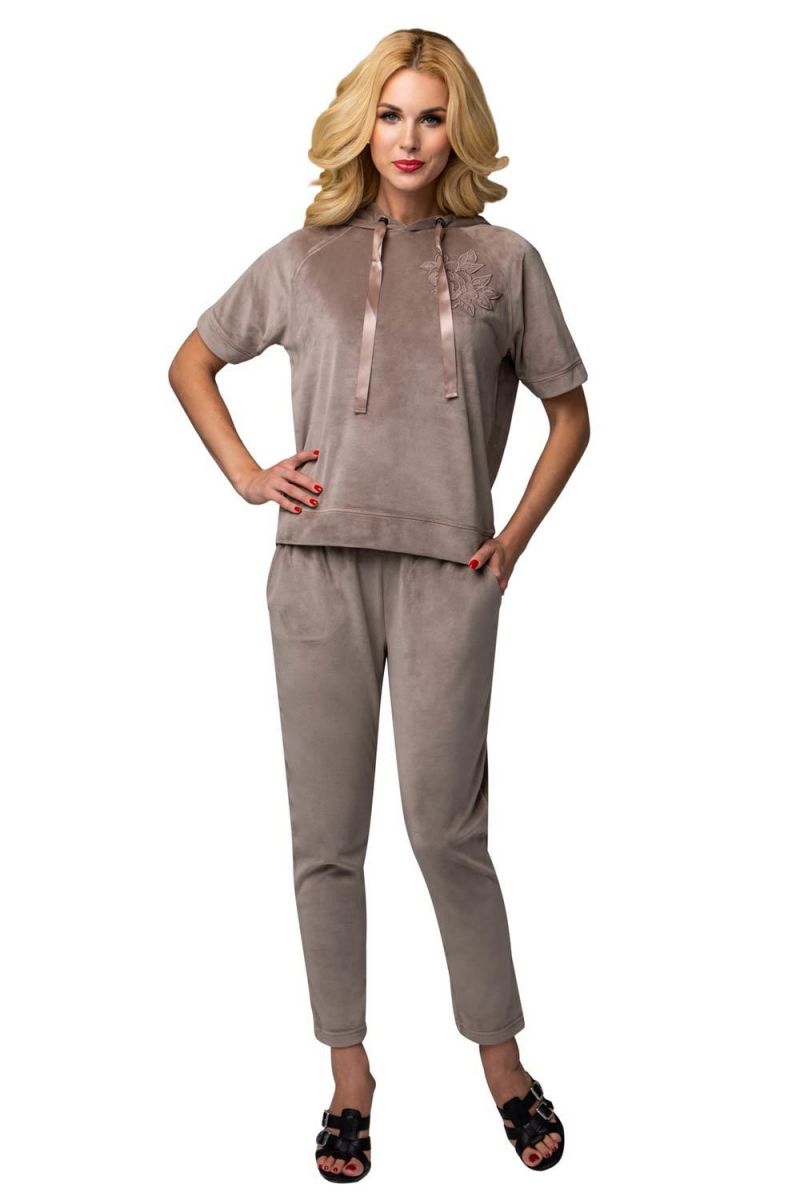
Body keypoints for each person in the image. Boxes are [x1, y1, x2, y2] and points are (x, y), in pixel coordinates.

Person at [168, 27, 589, 1182]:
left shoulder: (504, 262)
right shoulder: (303, 260)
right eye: (391, 114)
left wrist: (510, 539)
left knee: (445, 830)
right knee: (326, 839)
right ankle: (348, 1073)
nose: (408, 138)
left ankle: (500, 1059)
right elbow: (192, 362)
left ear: (459, 131)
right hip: (316, 570)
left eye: (431, 116)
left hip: (450, 573)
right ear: (363, 125)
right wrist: (248, 474)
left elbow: (567, 415)